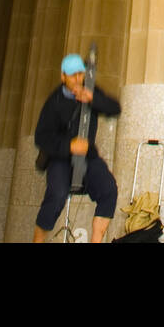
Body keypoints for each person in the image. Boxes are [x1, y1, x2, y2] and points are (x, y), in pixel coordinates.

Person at [32, 53, 121, 243]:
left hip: (88, 157)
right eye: (73, 75)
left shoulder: (91, 91)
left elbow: (115, 108)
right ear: (63, 76)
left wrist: (93, 99)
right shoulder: (54, 102)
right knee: (56, 195)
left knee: (109, 190)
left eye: (80, 74)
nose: (78, 79)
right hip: (61, 157)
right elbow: (41, 136)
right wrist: (68, 145)